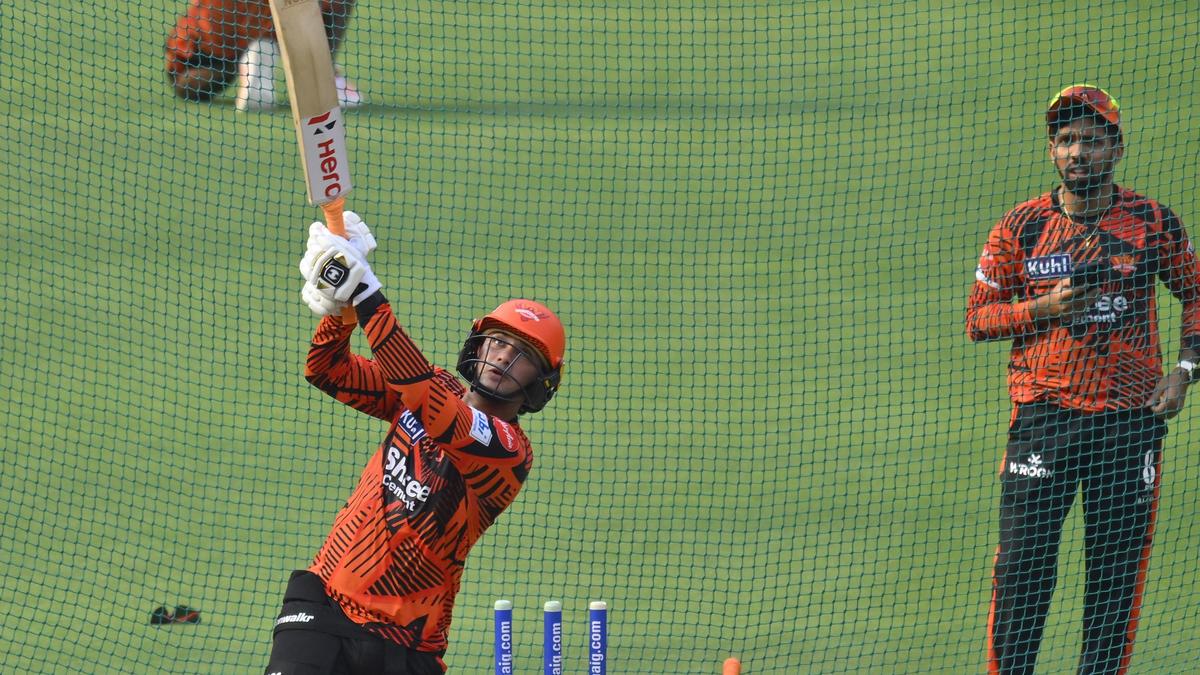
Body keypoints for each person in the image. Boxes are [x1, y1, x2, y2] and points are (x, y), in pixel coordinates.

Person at [264, 213, 566, 674]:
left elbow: (425, 398)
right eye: (499, 341)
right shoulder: (436, 386)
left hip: (408, 643)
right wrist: (341, 312)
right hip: (325, 605)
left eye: (522, 354)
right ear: (478, 345)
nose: (504, 355)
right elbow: (327, 370)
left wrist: (366, 292)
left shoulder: (509, 452)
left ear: (541, 382)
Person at [967, 84, 1200, 675]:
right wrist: (1045, 309)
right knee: (1021, 569)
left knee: (1115, 577)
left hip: (1129, 422)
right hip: (1042, 420)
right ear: (1051, 150)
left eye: (1092, 141)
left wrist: (1184, 371)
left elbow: (1197, 295)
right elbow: (978, 319)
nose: (1078, 153)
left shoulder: (1152, 222)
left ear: (1116, 150)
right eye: (1066, 140)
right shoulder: (1020, 227)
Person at [165, 0, 364, 110]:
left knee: (188, 79)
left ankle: (244, 61)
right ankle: (321, 77)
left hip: (214, 28)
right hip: (269, 19)